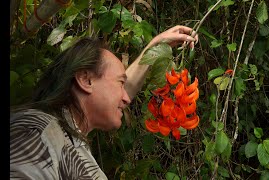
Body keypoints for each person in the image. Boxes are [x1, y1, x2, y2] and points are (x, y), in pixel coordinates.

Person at [10, 25, 198, 179]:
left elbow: (114, 96)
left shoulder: (66, 136)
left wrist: (155, 48)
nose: (126, 98)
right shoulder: (37, 132)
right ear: (86, 80)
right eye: (120, 83)